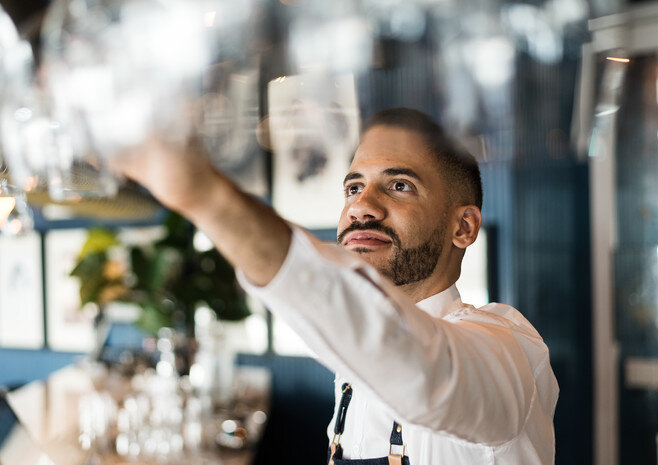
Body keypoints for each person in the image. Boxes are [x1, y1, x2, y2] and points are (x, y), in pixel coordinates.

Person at [109, 107, 558, 464]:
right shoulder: (352, 370)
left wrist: (204, 196)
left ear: (463, 227)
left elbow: (422, 370)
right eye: (353, 188)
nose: (362, 207)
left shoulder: (510, 352)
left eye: (399, 185)